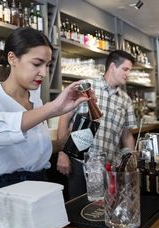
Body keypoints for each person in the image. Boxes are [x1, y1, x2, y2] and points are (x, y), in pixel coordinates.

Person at [0, 27, 88, 208]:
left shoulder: (35, 100)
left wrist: (62, 144)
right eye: (37, 64)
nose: (44, 73)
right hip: (4, 190)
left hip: (40, 185)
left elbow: (29, 150)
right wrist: (52, 108)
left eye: (47, 65)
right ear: (12, 59)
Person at [56, 50, 136, 199]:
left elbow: (127, 135)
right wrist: (62, 153)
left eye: (130, 70)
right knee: (78, 208)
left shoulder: (125, 100)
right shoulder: (86, 87)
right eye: (125, 69)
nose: (128, 74)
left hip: (109, 166)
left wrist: (130, 161)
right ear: (112, 66)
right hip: (79, 162)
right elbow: (64, 118)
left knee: (103, 209)